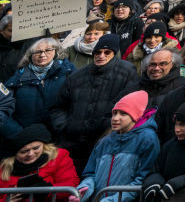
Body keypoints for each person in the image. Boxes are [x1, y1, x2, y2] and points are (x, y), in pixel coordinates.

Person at [51, 33, 139, 171]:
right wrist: (65, 126)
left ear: (114, 53)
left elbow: (129, 107)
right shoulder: (77, 76)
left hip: (106, 143)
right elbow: (58, 107)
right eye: (97, 52)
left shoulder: (127, 73)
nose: (101, 55)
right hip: (73, 143)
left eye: (107, 52)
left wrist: (109, 128)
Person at [75, 90, 161, 202]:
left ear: (136, 116)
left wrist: (114, 200)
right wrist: (84, 188)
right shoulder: (104, 142)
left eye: (123, 114)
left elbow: (142, 179)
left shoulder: (148, 139)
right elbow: (90, 173)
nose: (115, 118)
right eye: (114, 113)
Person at [140, 95, 185, 202]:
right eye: (176, 124)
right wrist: (154, 182)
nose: (177, 129)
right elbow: (156, 169)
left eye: (182, 125)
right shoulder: (170, 145)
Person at [1, 38, 76, 139]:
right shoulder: (16, 79)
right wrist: (21, 135)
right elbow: (3, 110)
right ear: (29, 54)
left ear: (56, 51)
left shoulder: (69, 72)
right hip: (29, 144)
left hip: (63, 137)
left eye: (48, 50)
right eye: (37, 51)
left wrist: (68, 129)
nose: (43, 55)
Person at [0, 124, 79, 196]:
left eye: (36, 148)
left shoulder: (58, 156)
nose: (30, 154)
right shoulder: (5, 168)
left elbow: (72, 185)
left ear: (44, 145)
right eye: (24, 152)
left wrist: (47, 190)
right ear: (15, 155)